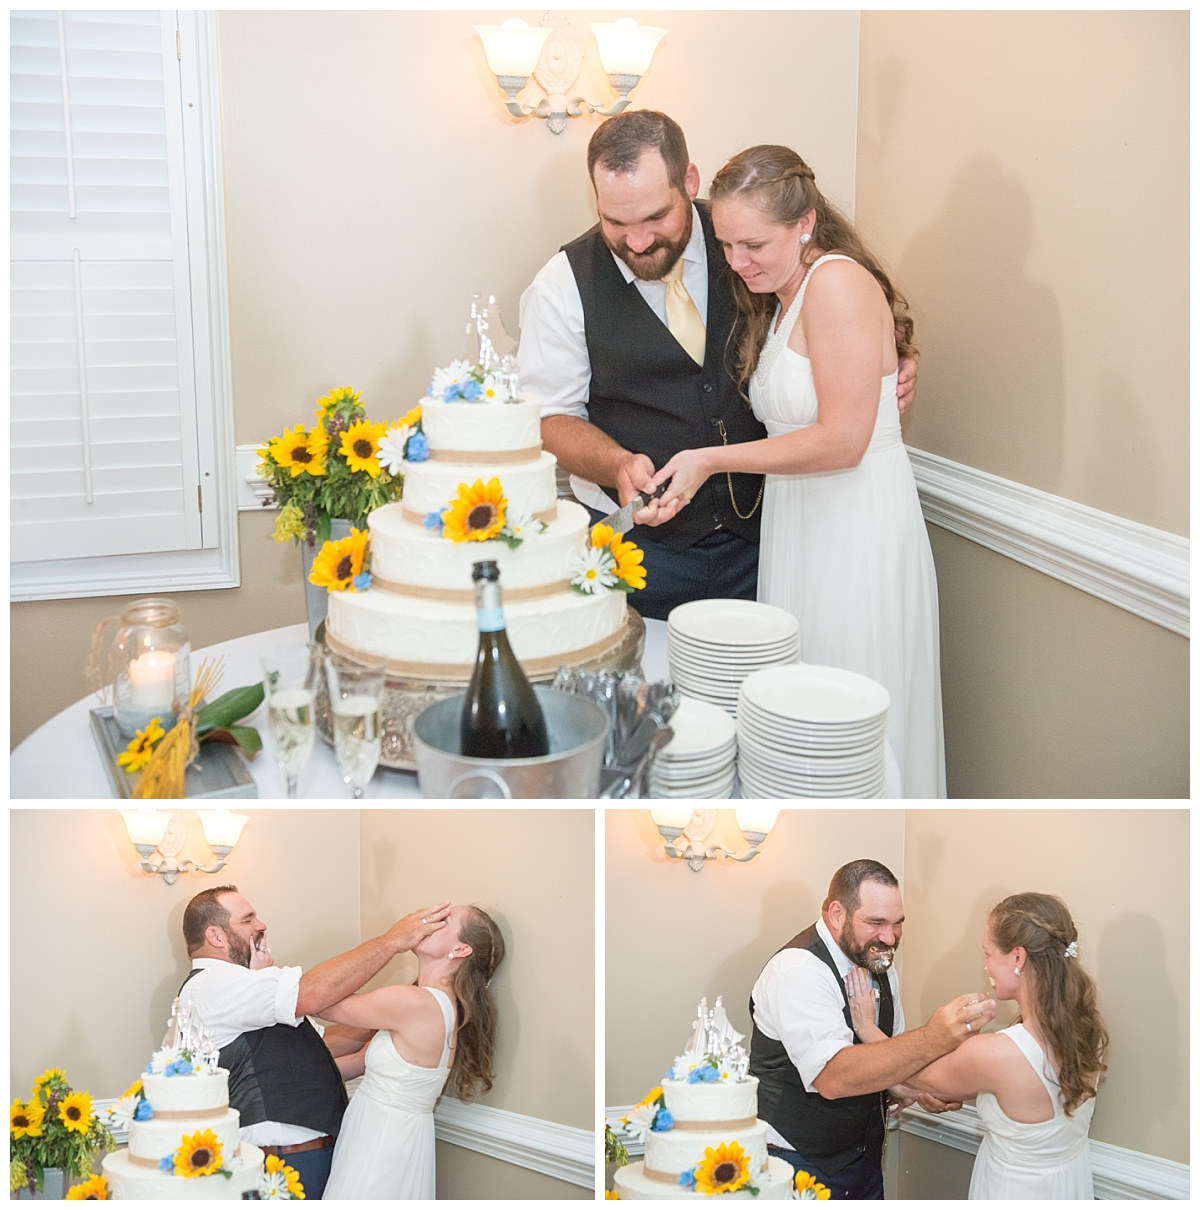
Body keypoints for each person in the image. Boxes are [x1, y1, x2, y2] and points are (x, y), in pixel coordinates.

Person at [517, 111, 916, 620]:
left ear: (689, 182)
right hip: (644, 556)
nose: (637, 242)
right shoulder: (562, 284)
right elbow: (552, 418)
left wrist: (892, 367)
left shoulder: (752, 241)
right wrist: (616, 464)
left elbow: (842, 329)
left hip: (767, 541)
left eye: (656, 218)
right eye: (615, 223)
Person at [649, 144, 944, 797]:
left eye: (753, 243)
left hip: (854, 526)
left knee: (850, 713)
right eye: (725, 244)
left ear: (805, 223)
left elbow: (842, 439)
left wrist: (709, 460)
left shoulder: (835, 282)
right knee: (803, 716)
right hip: (803, 521)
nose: (736, 261)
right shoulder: (780, 294)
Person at [178, 885, 451, 1199]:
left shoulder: (244, 990)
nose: (261, 926)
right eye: (248, 919)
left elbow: (325, 1047)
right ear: (216, 936)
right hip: (283, 1163)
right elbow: (311, 995)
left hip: (308, 1156)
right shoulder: (214, 984)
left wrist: (397, 1015)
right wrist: (392, 941)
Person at [749, 860, 996, 1199]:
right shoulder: (797, 970)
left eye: (898, 924)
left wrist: (918, 1091)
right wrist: (932, 1038)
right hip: (797, 1163)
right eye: (876, 922)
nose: (890, 937)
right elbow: (833, 1077)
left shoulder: (877, 961)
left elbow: (890, 1060)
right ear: (837, 914)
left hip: (865, 1161)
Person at [847, 892, 1107, 1199]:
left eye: (988, 953)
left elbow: (910, 1073)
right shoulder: (1087, 1031)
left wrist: (867, 1028)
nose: (986, 966)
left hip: (1015, 1190)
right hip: (1069, 1183)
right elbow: (1025, 1092)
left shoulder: (996, 1054)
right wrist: (948, 1087)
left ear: (1018, 958)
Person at [320, 904, 505, 1200]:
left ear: (460, 950)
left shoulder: (416, 1004)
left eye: (444, 920)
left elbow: (319, 1000)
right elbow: (357, 1062)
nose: (427, 922)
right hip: (383, 1133)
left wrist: (389, 943)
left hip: (383, 1142)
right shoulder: (435, 1004)